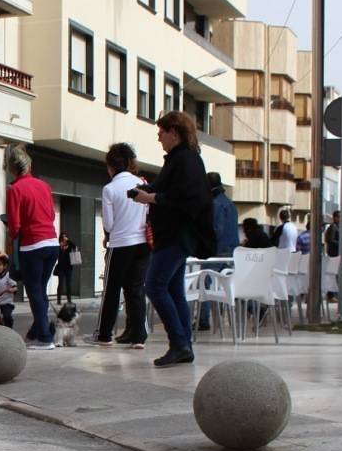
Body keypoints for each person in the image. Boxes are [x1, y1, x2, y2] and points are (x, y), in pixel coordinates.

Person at [129, 111, 215, 367]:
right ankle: (183, 345)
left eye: (161, 132)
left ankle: (178, 343)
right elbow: (171, 189)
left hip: (177, 235)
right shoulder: (182, 160)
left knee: (154, 286)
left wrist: (150, 198)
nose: (158, 138)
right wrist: (146, 191)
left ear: (174, 132)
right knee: (174, 289)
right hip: (175, 235)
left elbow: (185, 197)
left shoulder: (185, 160)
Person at [89, 143, 149, 348]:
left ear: (110, 166)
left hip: (120, 244)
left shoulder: (110, 188)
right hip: (142, 244)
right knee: (136, 289)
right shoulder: (142, 182)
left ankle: (104, 334)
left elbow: (108, 224)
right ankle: (138, 336)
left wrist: (109, 235)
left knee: (112, 290)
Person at [3, 144, 59, 350]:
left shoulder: (15, 189)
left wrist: (12, 239)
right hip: (52, 243)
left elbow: (15, 224)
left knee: (34, 291)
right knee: (41, 290)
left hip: (32, 245)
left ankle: (44, 337)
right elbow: (52, 215)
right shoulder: (43, 185)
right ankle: (36, 331)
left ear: (11, 168)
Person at [197, 171, 240, 331]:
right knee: (230, 286)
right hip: (232, 252)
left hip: (217, 252)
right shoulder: (230, 204)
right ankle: (251, 306)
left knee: (204, 281)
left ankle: (203, 320)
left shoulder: (215, 204)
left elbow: (216, 230)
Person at [54, 233, 77, 304]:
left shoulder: (70, 246)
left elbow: (75, 246)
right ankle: (58, 300)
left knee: (68, 284)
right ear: (61, 238)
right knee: (60, 284)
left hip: (68, 267)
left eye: (65, 237)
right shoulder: (58, 246)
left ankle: (69, 300)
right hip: (61, 267)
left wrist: (69, 241)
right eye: (63, 237)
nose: (64, 238)